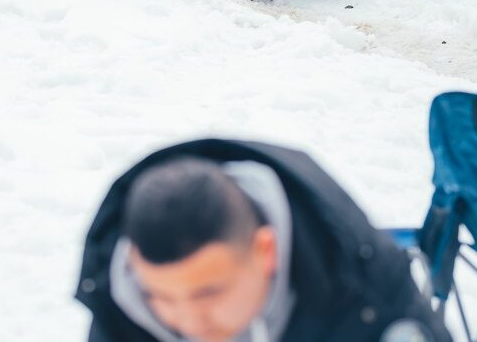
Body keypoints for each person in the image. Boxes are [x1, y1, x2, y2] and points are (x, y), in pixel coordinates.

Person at [76, 139, 451, 342]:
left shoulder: (367, 298)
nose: (188, 322)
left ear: (265, 252)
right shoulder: (121, 300)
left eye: (208, 293)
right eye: (160, 296)